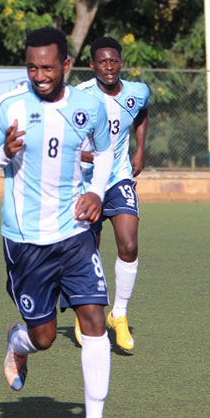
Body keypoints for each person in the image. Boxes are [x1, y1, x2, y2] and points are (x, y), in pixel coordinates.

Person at [0, 27, 121, 418]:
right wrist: (2, 152)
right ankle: (17, 341)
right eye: (32, 67)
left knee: (95, 322)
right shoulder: (9, 105)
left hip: (75, 235)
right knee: (44, 338)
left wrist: (96, 190)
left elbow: (107, 152)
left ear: (66, 66)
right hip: (25, 241)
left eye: (48, 67)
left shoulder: (88, 106)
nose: (39, 75)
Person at [72, 36, 149, 352]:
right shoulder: (80, 96)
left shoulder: (135, 92)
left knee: (129, 245)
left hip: (119, 178)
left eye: (113, 61)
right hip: (88, 184)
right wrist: (89, 155)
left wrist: (141, 149)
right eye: (102, 62)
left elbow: (142, 112)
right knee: (89, 251)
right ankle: (87, 313)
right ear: (92, 65)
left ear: (120, 62)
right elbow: (69, 138)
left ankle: (119, 313)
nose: (108, 67)